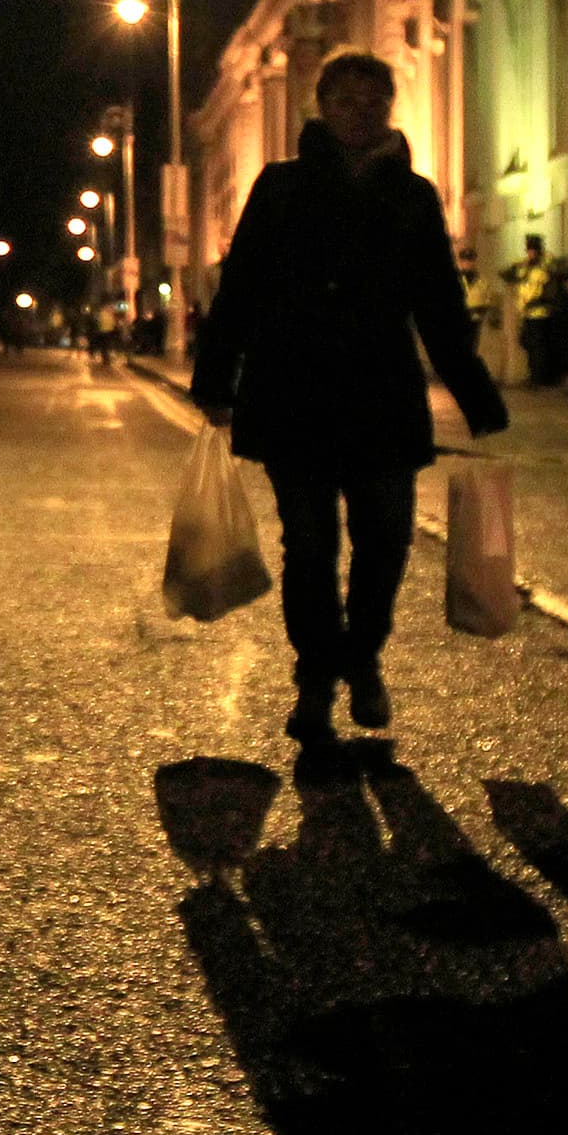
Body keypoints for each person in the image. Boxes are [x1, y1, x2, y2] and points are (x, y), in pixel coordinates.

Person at [192, 51, 505, 748]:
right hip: (293, 391)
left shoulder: (414, 196)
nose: (361, 113)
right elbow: (239, 290)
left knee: (386, 541)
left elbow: (440, 306)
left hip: (380, 394)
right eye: (347, 101)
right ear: (322, 107)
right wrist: (216, 381)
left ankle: (362, 657)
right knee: (308, 547)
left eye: (373, 101)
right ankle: (314, 680)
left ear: (388, 109)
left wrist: (476, 395)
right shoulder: (279, 187)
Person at [505, 232, 568, 388]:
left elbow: (555, 280)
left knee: (539, 347)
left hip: (541, 312)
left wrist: (546, 262)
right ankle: (535, 375)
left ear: (539, 250)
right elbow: (508, 274)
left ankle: (539, 379)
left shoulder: (545, 265)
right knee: (527, 343)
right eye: (529, 250)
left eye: (533, 249)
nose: (530, 253)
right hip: (527, 312)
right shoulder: (525, 267)